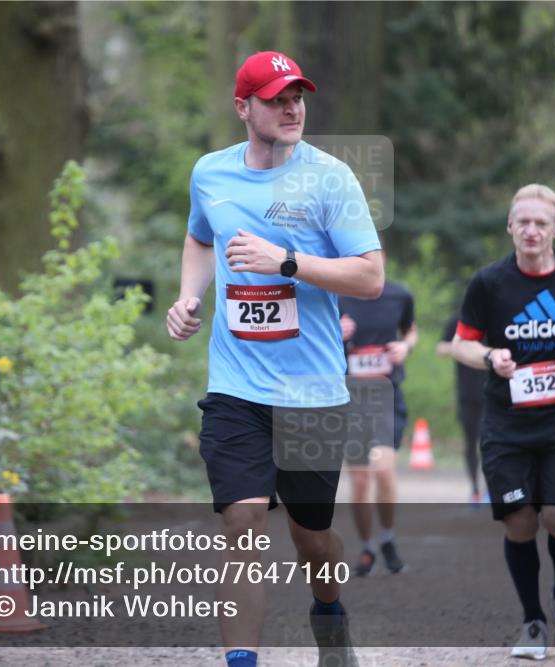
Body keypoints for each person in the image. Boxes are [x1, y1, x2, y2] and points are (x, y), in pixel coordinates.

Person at [166, 51, 383, 667]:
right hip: (236, 387)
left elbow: (369, 277)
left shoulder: (331, 178)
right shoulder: (210, 173)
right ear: (243, 108)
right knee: (242, 520)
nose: (292, 108)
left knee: (312, 538)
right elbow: (199, 237)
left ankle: (329, 609)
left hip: (312, 393)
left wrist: (286, 262)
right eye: (275, 98)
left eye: (297, 97)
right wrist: (189, 296)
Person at [451, 184, 555, 660]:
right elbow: (461, 343)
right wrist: (488, 355)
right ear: (509, 227)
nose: (531, 230)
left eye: (541, 223)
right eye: (522, 221)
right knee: (520, 523)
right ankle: (532, 623)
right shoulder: (489, 283)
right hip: (507, 424)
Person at [338, 276, 417, 576]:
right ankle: (367, 546)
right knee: (359, 481)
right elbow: (310, 336)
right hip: (349, 398)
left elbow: (411, 330)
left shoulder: (400, 294)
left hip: (386, 394)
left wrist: (405, 347)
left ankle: (387, 538)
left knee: (383, 470)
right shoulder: (336, 295)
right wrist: (335, 332)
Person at [438, 314, 488, 504]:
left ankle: (490, 489)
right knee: (470, 442)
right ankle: (475, 489)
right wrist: (463, 348)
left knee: (488, 442)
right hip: (466, 394)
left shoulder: (493, 316)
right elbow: (440, 348)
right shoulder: (459, 320)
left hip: (491, 394)